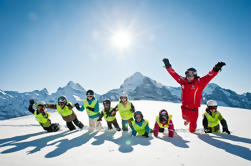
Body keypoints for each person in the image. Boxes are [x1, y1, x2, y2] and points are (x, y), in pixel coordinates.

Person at [162, 58, 226, 133]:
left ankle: (192, 134)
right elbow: (174, 74)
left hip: (194, 110)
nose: (188, 76)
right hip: (184, 108)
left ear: (195, 75)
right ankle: (187, 120)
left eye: (191, 75)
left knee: (193, 127)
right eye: (187, 74)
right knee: (185, 118)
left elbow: (209, 76)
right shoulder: (183, 81)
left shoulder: (200, 83)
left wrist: (216, 68)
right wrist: (168, 66)